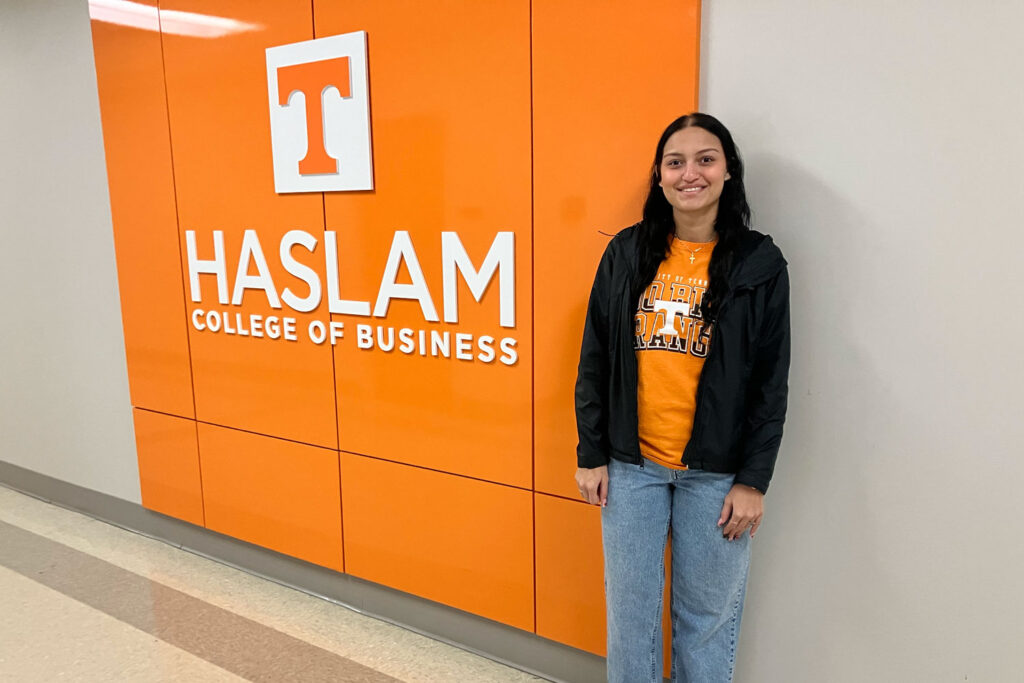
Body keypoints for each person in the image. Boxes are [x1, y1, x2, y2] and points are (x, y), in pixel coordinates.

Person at [574, 112, 790, 683]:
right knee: (631, 619)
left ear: (727, 172)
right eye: (676, 162)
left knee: (706, 622)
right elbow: (594, 358)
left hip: (717, 476)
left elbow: (771, 382)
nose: (690, 172)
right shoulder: (625, 254)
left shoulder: (759, 264)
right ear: (659, 176)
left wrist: (753, 480)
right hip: (631, 468)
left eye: (705, 159)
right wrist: (591, 452)